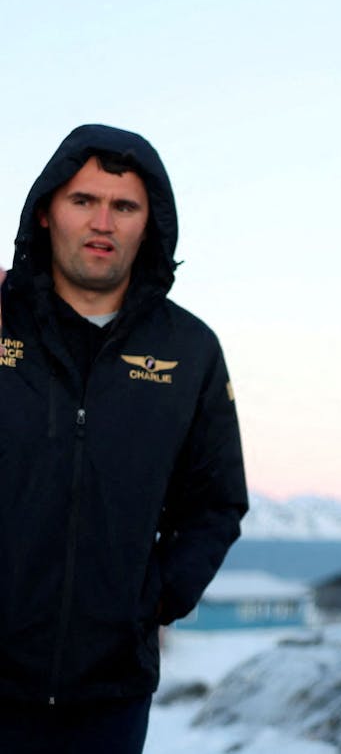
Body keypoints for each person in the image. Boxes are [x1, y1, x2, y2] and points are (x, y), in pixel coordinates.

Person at [0, 124, 248, 754]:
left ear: (150, 225)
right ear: (47, 212)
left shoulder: (189, 351)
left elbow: (216, 503)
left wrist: (154, 599)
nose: (102, 221)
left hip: (109, 697)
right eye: (83, 200)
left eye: (124, 206)